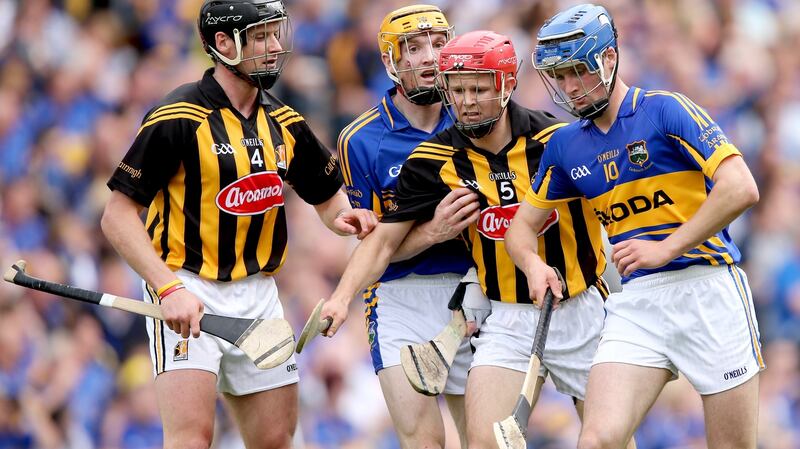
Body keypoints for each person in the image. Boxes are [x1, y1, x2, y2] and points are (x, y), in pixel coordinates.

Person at [100, 1, 376, 448]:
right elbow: (116, 216)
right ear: (223, 44)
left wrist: (344, 218)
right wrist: (168, 288)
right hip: (189, 286)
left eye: (275, 34)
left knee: (276, 441)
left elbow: (327, 200)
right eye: (261, 37)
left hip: (259, 297)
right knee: (191, 439)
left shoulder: (285, 122)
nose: (275, 47)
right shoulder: (177, 117)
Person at [322, 30, 614, 448]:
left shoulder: (557, 141)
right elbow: (383, 241)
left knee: (607, 440)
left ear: (507, 85)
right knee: (484, 443)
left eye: (478, 89)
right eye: (457, 90)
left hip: (580, 307)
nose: (467, 101)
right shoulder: (433, 160)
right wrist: (340, 297)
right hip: (506, 320)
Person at [513, 4, 764, 449]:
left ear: (609, 58)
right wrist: (533, 266)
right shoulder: (566, 146)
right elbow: (519, 229)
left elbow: (740, 187)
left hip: (708, 288)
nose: (569, 87)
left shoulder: (665, 110)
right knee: (597, 440)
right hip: (638, 302)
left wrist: (666, 248)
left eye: (578, 71)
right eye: (560, 76)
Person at [336, 5, 477, 448]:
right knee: (422, 441)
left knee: (487, 439)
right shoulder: (360, 140)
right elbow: (375, 249)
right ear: (390, 60)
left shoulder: (479, 119)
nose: (430, 57)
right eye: (414, 48)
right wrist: (433, 232)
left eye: (438, 44)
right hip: (399, 297)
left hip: (476, 292)